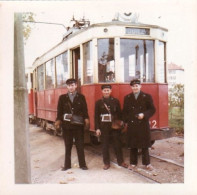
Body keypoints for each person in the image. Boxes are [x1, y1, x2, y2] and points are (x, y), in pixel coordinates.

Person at [55, 78, 90, 171]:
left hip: (78, 125)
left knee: (80, 145)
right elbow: (59, 111)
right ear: (67, 86)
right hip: (67, 126)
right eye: (69, 85)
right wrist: (58, 121)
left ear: (76, 86)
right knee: (68, 145)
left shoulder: (81, 97)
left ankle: (82, 165)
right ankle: (67, 165)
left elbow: (85, 110)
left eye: (73, 85)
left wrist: (86, 120)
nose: (71, 87)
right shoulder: (62, 98)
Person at [123, 79, 156, 171]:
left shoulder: (147, 97)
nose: (135, 87)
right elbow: (125, 111)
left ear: (140, 86)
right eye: (133, 86)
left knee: (145, 145)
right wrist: (126, 121)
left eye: (137, 86)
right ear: (131, 87)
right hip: (132, 124)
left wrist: (144, 115)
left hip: (143, 124)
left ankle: (147, 164)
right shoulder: (127, 97)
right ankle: (133, 164)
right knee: (133, 145)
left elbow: (152, 109)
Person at [95, 84, 128, 170]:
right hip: (104, 127)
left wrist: (121, 123)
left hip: (114, 127)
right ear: (102, 91)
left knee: (117, 144)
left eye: (108, 90)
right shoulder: (98, 102)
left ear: (110, 91)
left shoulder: (115, 101)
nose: (106, 92)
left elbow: (119, 114)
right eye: (105, 90)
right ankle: (106, 163)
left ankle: (121, 161)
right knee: (105, 145)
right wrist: (97, 128)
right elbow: (96, 116)